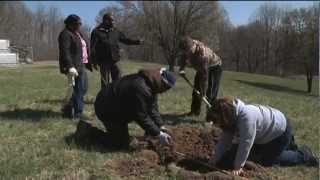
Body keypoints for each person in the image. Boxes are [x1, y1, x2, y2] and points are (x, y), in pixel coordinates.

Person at [206, 98, 319, 176]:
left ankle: (304, 155)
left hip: (280, 133)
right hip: (265, 132)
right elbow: (224, 142)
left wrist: (237, 167)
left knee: (268, 161)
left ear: (225, 117)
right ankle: (288, 146)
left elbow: (245, 144)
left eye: (218, 122)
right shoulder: (231, 117)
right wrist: (214, 160)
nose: (218, 125)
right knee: (241, 154)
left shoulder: (246, 119)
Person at [90, 67, 176, 149]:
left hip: (118, 107)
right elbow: (141, 116)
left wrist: (161, 126)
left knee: (123, 140)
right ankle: (89, 134)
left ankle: (120, 135)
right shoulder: (141, 88)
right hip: (106, 108)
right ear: (162, 82)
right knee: (118, 145)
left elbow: (152, 108)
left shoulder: (151, 84)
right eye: (167, 87)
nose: (165, 91)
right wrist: (158, 134)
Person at [90, 12, 143, 89]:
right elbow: (92, 47)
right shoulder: (96, 31)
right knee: (105, 82)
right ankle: (106, 99)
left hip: (115, 60)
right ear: (105, 20)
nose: (113, 22)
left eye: (113, 20)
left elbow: (125, 40)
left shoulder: (115, 31)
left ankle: (117, 98)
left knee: (118, 81)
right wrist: (94, 61)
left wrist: (137, 42)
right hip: (103, 61)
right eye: (111, 20)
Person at [58, 14, 93, 120]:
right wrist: (69, 66)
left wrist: (89, 62)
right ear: (70, 24)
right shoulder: (65, 34)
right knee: (79, 89)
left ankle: (68, 107)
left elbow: (84, 48)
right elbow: (65, 51)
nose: (79, 26)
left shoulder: (77, 33)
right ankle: (78, 113)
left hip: (81, 64)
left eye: (80, 24)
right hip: (74, 66)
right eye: (77, 24)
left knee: (84, 88)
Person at [178, 36, 222, 116]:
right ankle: (194, 112)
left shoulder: (203, 55)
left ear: (192, 47)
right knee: (196, 90)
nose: (187, 54)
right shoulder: (187, 47)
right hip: (201, 68)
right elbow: (183, 57)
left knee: (210, 93)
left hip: (214, 67)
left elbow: (204, 77)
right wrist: (182, 69)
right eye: (185, 52)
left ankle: (211, 116)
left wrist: (203, 92)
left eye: (188, 51)